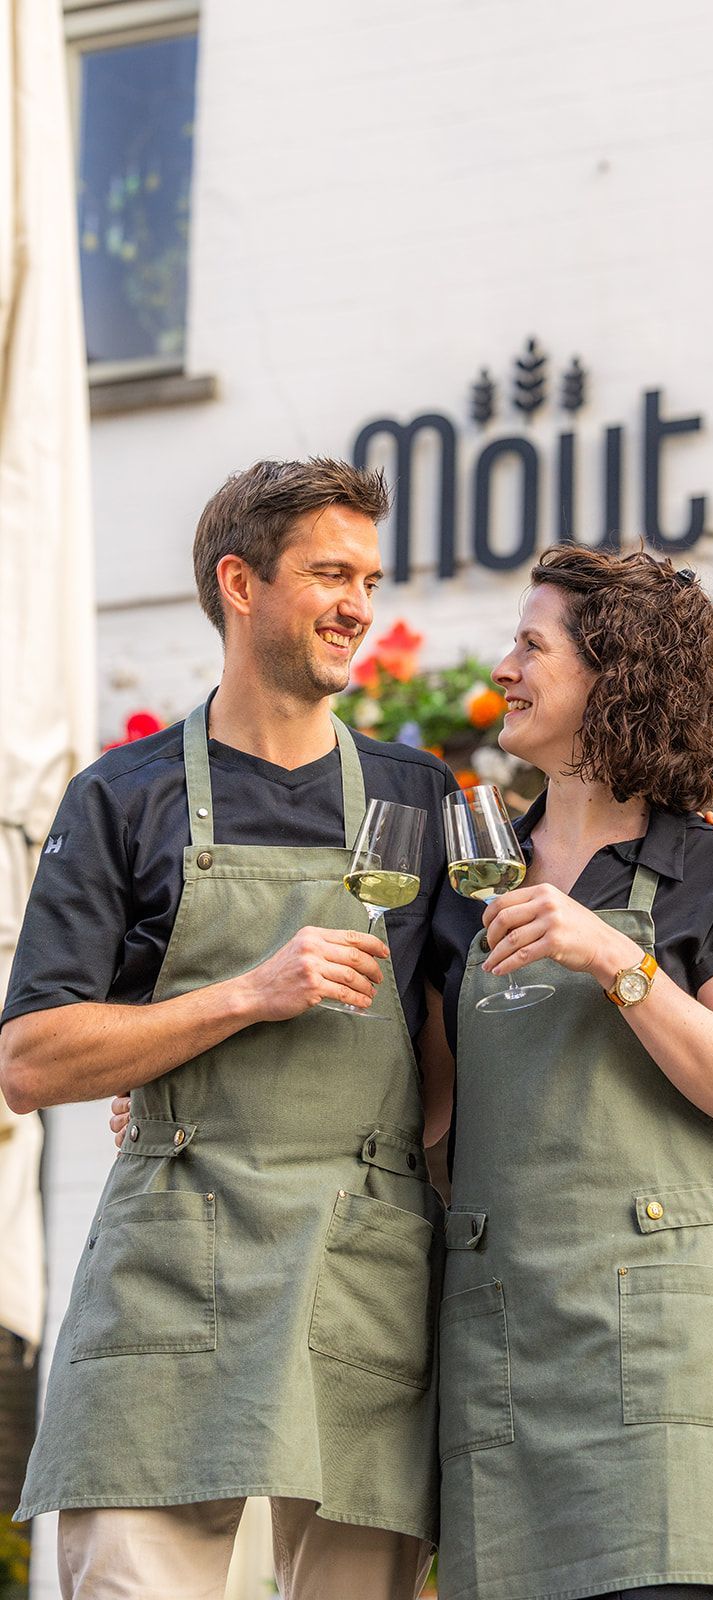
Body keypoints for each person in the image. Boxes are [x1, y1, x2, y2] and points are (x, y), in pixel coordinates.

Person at [0, 458, 457, 1600]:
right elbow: (29, 1057)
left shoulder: (421, 798)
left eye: (370, 576)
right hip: (173, 1269)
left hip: (364, 1274)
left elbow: (459, 1058)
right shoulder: (123, 797)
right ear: (240, 583)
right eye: (330, 573)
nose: (359, 601)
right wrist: (244, 997)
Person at [427, 547, 713, 1600]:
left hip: (669, 1376)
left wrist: (611, 956)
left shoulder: (709, 864)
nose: (503, 667)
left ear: (613, 676)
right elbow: (423, 1111)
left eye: (529, 644)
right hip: (505, 1363)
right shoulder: (470, 871)